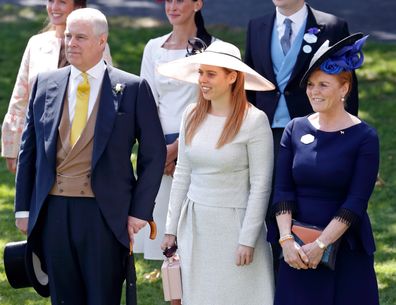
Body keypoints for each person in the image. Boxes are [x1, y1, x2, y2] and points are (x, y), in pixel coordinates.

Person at [14, 8, 166, 305]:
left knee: (102, 297)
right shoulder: (45, 84)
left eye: (80, 37)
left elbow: (154, 153)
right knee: (63, 297)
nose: (71, 42)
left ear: (101, 41)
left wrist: (139, 212)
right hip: (53, 210)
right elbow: (28, 149)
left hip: (104, 213)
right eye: (68, 35)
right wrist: (23, 208)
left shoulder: (132, 88)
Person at [244, 0, 359, 275]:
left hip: (316, 132)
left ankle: (317, 262)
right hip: (264, 132)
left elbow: (348, 88)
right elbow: (248, 86)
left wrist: (348, 140)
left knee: (309, 202)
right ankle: (276, 274)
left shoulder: (332, 26)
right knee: (270, 200)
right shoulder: (256, 26)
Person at [158, 40, 276, 305]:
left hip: (236, 227)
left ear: (232, 77)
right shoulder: (191, 114)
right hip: (195, 224)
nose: (202, 80)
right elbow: (182, 175)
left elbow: (260, 185)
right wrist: (170, 229)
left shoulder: (254, 120)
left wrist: (247, 240)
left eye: (211, 74)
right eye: (200, 73)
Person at [271, 33, 380, 305]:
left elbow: (356, 201)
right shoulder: (295, 128)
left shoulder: (365, 137)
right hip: (296, 247)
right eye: (310, 84)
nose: (313, 91)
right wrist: (287, 241)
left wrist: (321, 245)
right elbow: (283, 189)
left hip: (344, 247)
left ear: (344, 89)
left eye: (323, 84)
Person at [135, 0, 213, 261]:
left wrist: (179, 148)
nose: (173, 6)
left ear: (198, 4)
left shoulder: (212, 48)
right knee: (167, 246)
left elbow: (209, 104)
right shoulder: (153, 47)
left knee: (195, 241)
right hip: (160, 152)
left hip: (199, 148)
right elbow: (146, 103)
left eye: (180, 0)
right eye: (169, 0)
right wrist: (160, 153)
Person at [1, 0, 112, 174]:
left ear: (77, 6)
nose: (54, 7)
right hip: (38, 141)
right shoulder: (36, 44)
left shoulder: (97, 45)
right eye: (51, 1)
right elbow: (20, 97)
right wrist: (12, 148)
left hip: (80, 146)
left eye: (62, 2)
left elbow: (107, 96)